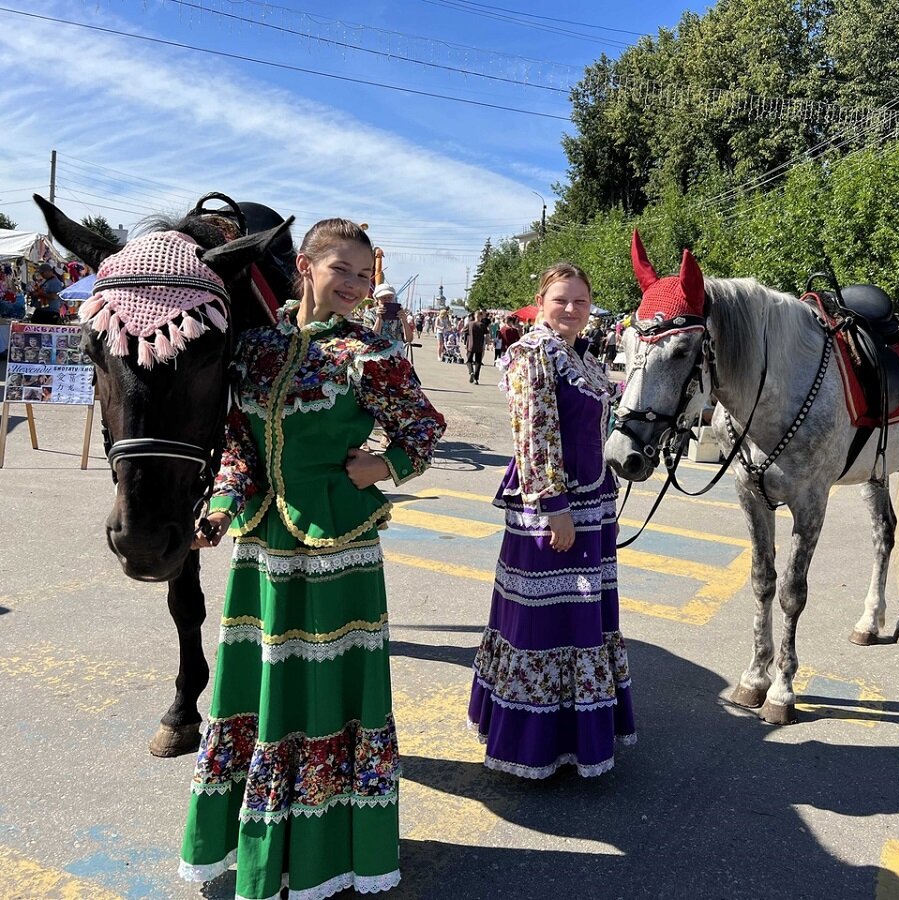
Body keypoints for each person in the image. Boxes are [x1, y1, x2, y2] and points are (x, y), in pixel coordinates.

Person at [179, 219, 446, 899]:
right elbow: (239, 447)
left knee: (332, 697)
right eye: (343, 270)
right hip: (262, 548)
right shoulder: (256, 349)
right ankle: (265, 836)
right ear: (305, 265)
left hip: (340, 555)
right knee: (263, 691)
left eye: (365, 275)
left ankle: (336, 850)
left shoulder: (373, 353)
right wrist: (215, 510)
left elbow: (423, 429)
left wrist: (379, 467)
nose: (356, 286)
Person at [467, 261, 635, 778]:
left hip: (591, 503)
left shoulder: (577, 355)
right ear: (541, 301)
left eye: (580, 301)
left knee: (582, 613)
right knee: (543, 619)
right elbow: (533, 434)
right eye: (561, 300)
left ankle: (573, 735)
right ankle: (532, 744)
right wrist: (553, 507)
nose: (570, 309)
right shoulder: (534, 352)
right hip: (554, 508)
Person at [362, 281, 414, 347]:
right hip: (376, 351)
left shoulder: (398, 313)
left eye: (390, 298)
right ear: (377, 300)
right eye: (383, 298)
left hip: (396, 351)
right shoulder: (369, 314)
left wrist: (404, 321)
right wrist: (379, 318)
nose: (387, 300)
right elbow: (370, 339)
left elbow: (409, 339)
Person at [465, 310, 487, 384]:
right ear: (481, 317)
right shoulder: (482, 325)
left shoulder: (470, 324)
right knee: (478, 362)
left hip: (471, 345)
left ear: (475, 316)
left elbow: (463, 331)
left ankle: (471, 372)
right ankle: (476, 379)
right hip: (479, 346)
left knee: (469, 361)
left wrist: (465, 341)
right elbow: (487, 334)